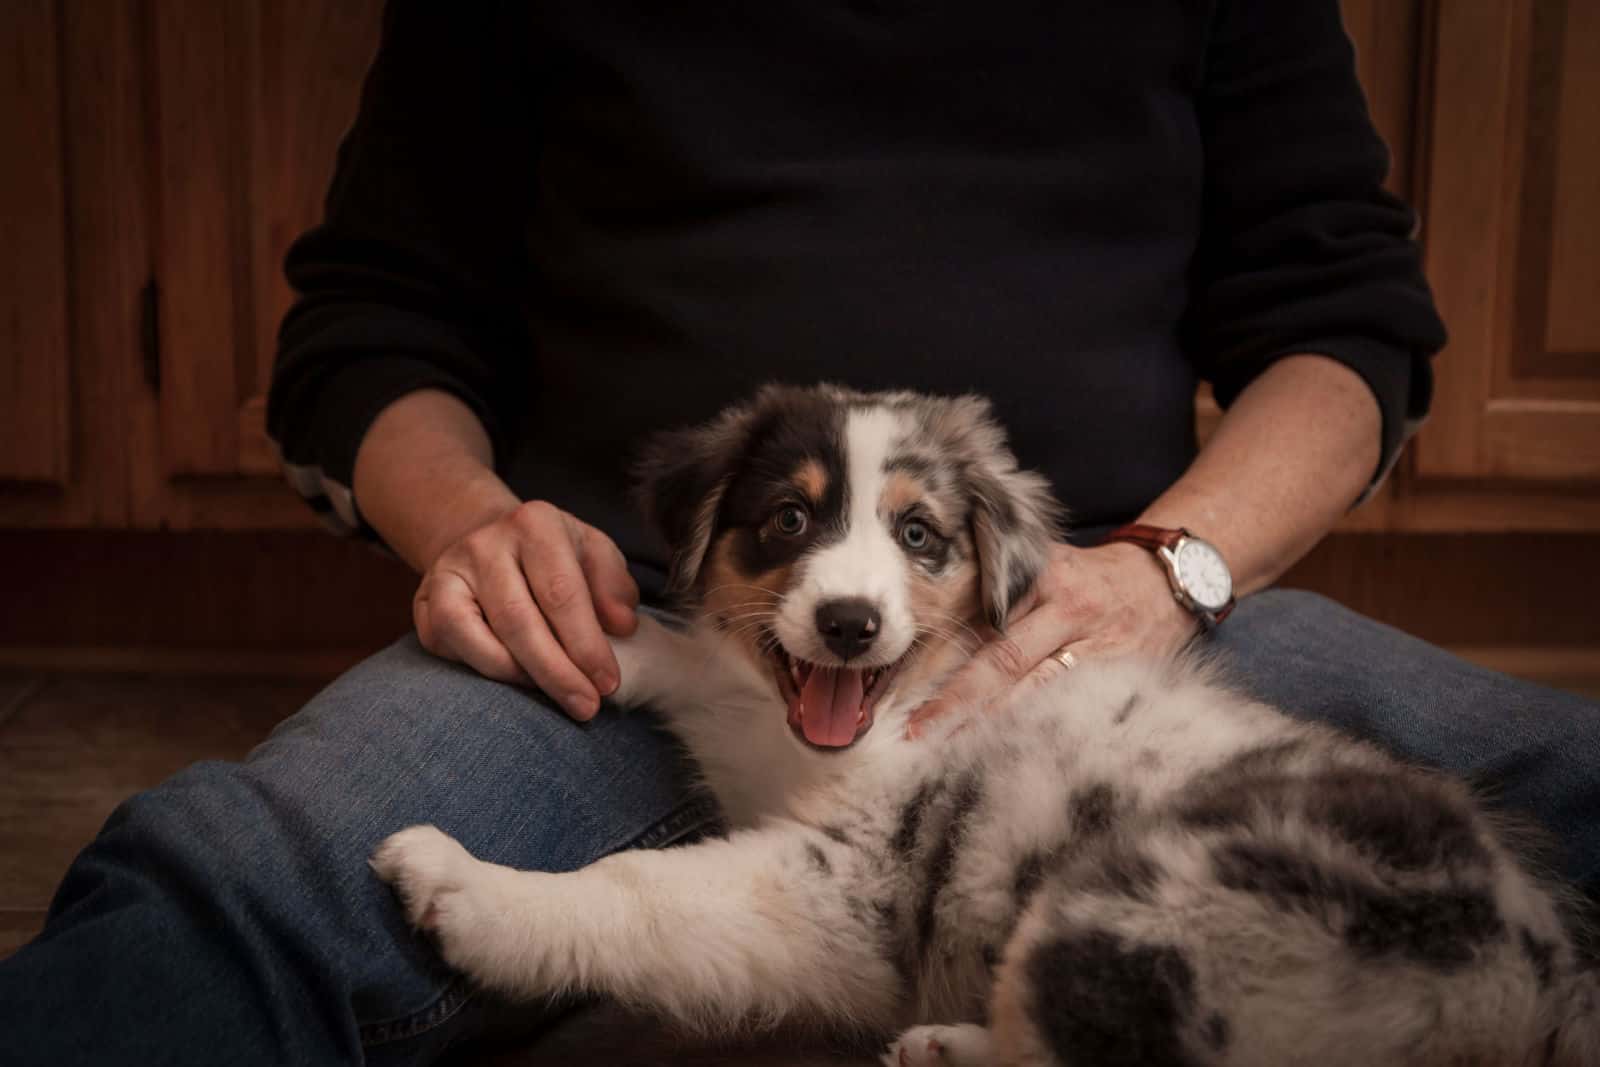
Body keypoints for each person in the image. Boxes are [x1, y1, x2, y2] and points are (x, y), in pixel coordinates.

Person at [3, 2, 1594, 1064]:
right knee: (234, 875)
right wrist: (474, 525)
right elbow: (366, 329)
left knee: (1561, 793)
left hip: (1109, 592)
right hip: (627, 620)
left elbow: (1346, 324)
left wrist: (1173, 568)